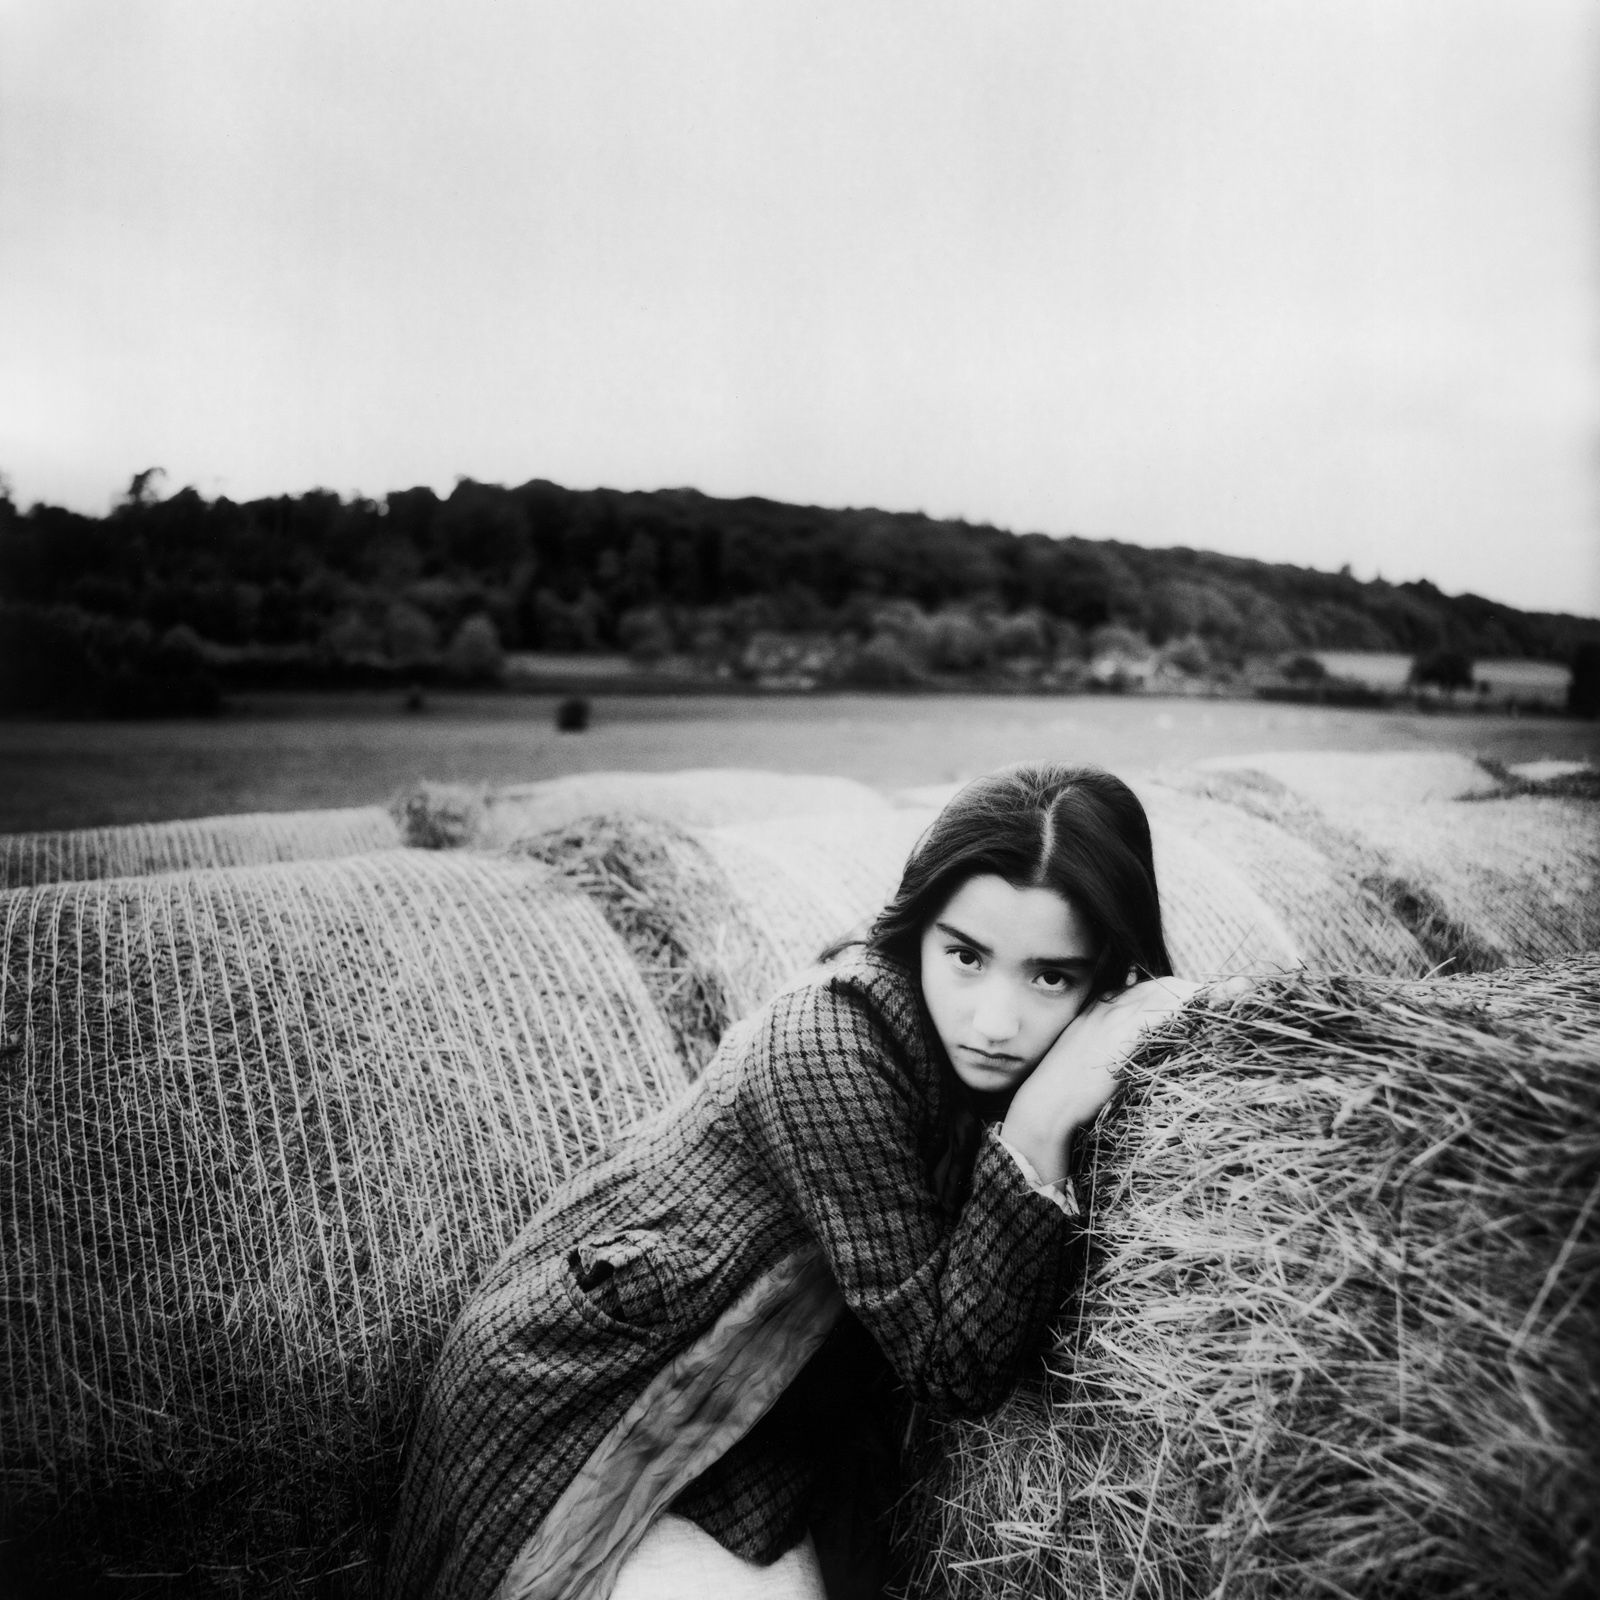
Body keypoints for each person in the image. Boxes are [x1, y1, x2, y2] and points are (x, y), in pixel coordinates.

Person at [384, 764, 1192, 1600]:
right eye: (965, 956)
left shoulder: (962, 1048)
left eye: (1050, 976)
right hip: (591, 1389)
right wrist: (1041, 1122)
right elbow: (953, 1370)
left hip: (761, 1399)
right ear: (919, 928)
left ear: (1104, 975)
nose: (994, 1022)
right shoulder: (830, 1047)